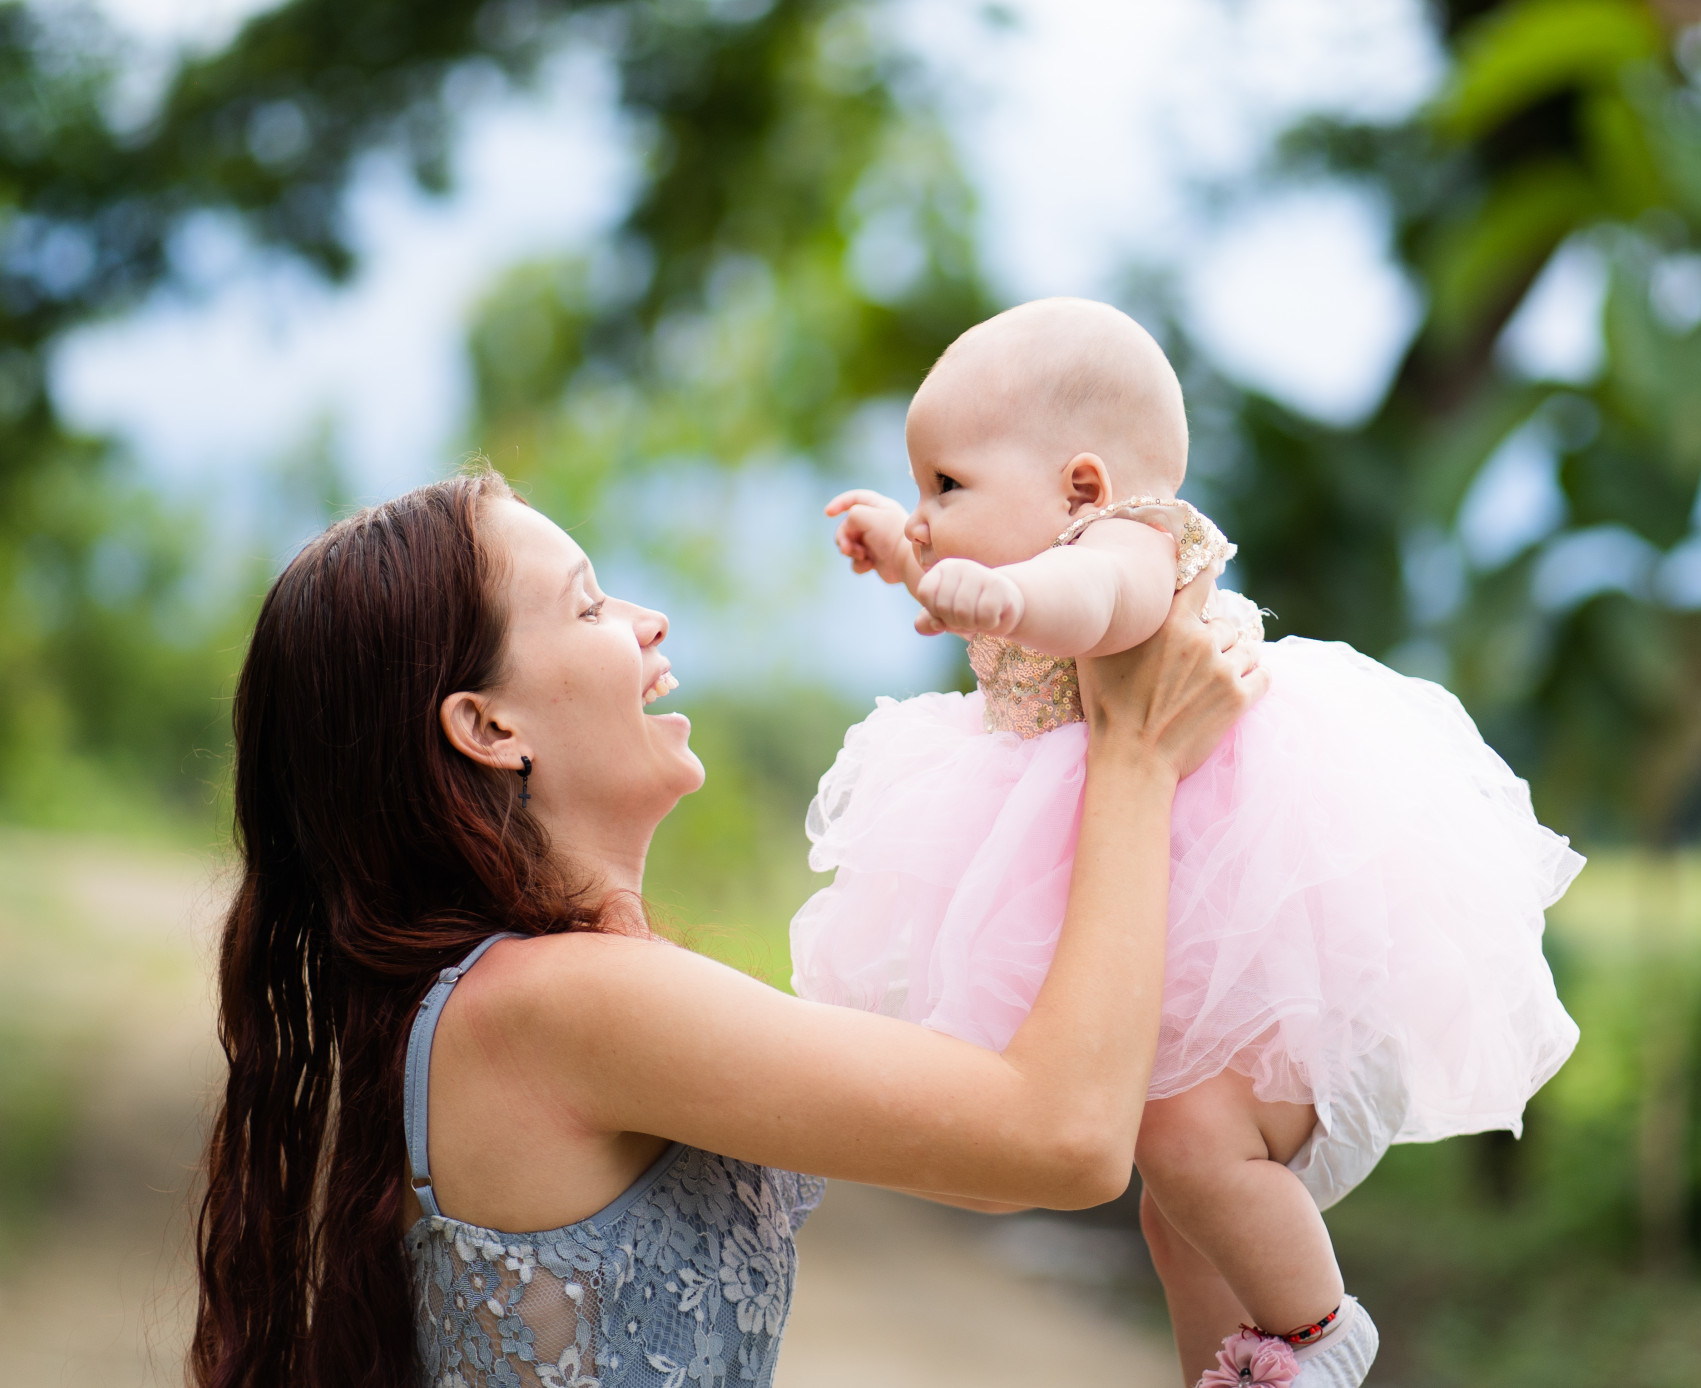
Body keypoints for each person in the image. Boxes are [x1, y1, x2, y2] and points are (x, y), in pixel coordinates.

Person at [190, 466, 1264, 1388]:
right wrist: (1133, 755)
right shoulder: (560, 1000)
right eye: (588, 605)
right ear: (487, 724)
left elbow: (985, 1161)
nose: (647, 620)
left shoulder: (552, 991)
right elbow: (1063, 1140)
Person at [797, 298, 1584, 1387]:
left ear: (1081, 487)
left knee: (1186, 1143)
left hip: (1230, 895)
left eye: (947, 486)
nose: (927, 513)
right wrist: (913, 552)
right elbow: (993, 589)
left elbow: (1091, 599)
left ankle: (1318, 1330)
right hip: (1138, 898)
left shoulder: (1126, 542)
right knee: (1178, 1213)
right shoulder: (1027, 562)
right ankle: (1221, 1366)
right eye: (920, 487)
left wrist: (1001, 588)